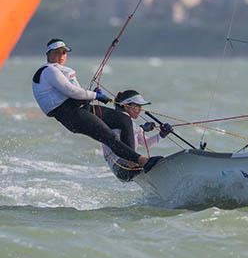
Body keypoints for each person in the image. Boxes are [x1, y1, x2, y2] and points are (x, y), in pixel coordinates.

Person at [32, 38, 153, 168]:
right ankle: (141, 161)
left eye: (64, 52)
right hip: (70, 115)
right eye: (57, 52)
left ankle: (131, 161)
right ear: (48, 54)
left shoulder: (60, 70)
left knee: (124, 120)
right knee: (109, 136)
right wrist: (96, 95)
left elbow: (76, 94)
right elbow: (71, 91)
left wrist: (90, 96)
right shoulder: (49, 71)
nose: (61, 55)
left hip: (80, 108)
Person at [102, 90, 173, 181]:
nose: (140, 110)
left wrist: (161, 135)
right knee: (152, 163)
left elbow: (145, 143)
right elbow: (117, 136)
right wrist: (142, 129)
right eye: (137, 106)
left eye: (140, 106)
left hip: (128, 166)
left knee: (151, 163)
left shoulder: (130, 124)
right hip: (120, 166)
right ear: (126, 106)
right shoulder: (117, 119)